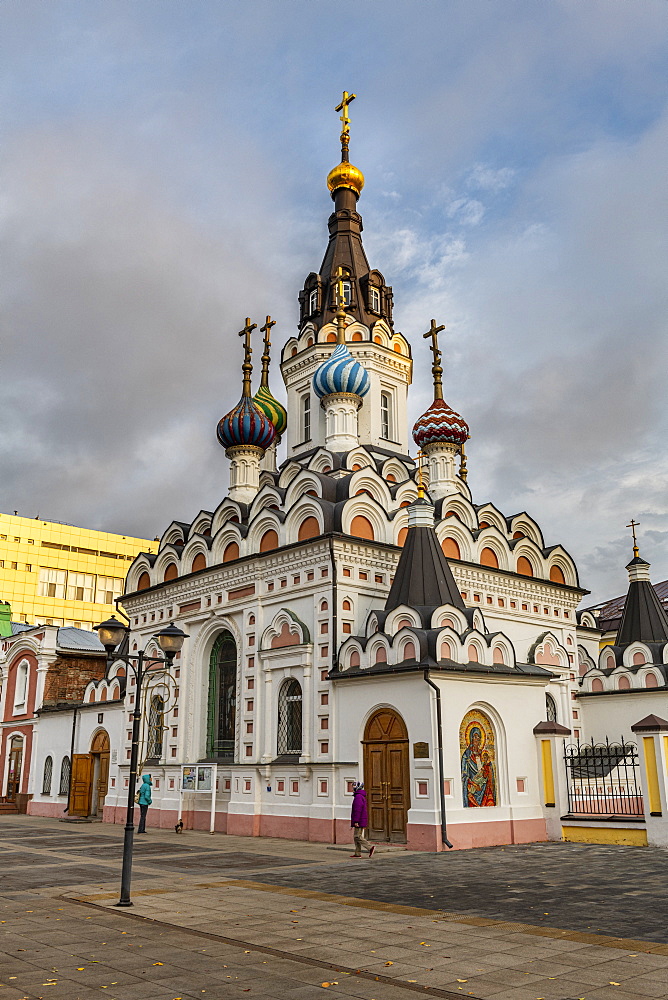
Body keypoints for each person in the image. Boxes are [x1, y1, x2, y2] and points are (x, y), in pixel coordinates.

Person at [350, 781, 375, 858]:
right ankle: (357, 853)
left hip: (359, 820)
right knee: (356, 837)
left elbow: (358, 810)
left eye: (353, 787)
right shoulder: (359, 796)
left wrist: (356, 821)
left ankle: (370, 847)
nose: (352, 789)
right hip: (359, 819)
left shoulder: (358, 797)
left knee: (357, 836)